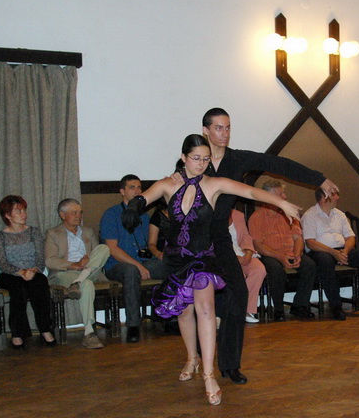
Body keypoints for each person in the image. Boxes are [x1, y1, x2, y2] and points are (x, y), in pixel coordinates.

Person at [122, 108, 337, 385]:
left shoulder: (238, 160)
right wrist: (144, 199)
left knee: (237, 293)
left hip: (219, 240)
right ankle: (196, 356)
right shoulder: (194, 161)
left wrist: (318, 179)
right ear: (205, 130)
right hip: (190, 243)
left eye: (228, 128)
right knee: (190, 305)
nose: (224, 134)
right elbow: (166, 189)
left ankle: (229, 364)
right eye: (218, 128)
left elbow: (277, 164)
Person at [143, 135, 301, 405]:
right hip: (177, 258)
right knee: (185, 312)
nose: (202, 164)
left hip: (204, 257)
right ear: (183, 158)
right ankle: (191, 358)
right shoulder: (168, 184)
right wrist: (134, 205)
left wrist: (281, 203)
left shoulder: (213, 184)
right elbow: (144, 197)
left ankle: (209, 374)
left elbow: (250, 192)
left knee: (206, 309)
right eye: (196, 158)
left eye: (206, 159)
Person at [302, 188, 359, 320]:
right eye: (334, 195)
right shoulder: (310, 215)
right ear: (324, 197)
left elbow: (351, 237)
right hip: (320, 251)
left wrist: (345, 251)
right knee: (326, 261)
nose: (337, 197)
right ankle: (336, 307)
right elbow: (310, 243)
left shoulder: (340, 214)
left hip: (342, 250)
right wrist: (333, 252)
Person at [100, 175, 166, 343]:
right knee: (131, 271)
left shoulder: (143, 216)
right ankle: (133, 325)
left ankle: (169, 317)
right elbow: (112, 249)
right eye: (132, 187)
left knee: (170, 265)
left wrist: (159, 255)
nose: (137, 191)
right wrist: (138, 265)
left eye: (139, 187)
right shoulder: (111, 214)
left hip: (143, 262)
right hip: (117, 265)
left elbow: (149, 244)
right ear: (122, 191)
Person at [44, 198, 111, 349]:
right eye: (74, 213)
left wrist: (87, 260)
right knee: (86, 285)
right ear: (62, 215)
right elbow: (50, 260)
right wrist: (74, 265)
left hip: (89, 270)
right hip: (65, 273)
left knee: (104, 248)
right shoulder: (53, 233)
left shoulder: (88, 232)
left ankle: (78, 282)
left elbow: (97, 255)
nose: (79, 216)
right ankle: (89, 333)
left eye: (80, 212)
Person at [248, 179, 317, 321]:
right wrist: (280, 257)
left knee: (310, 265)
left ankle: (299, 305)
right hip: (270, 255)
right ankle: (278, 309)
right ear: (268, 197)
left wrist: (297, 254)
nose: (285, 197)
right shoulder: (257, 217)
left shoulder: (289, 213)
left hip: (291, 252)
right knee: (275, 269)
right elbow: (258, 245)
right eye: (280, 194)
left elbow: (298, 238)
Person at [0, 195, 56, 349]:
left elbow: (40, 258)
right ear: (8, 215)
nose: (23, 214)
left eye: (24, 211)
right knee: (18, 288)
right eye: (18, 211)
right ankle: (17, 333)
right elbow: (2, 263)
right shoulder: (0, 237)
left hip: (32, 271)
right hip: (10, 274)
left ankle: (45, 329)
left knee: (40, 284)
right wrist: (21, 272)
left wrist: (33, 270)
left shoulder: (34, 232)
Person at [228, 208, 266, 324]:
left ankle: (247, 309)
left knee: (259, 269)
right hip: (223, 254)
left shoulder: (238, 215)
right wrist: (234, 257)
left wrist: (249, 251)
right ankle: (234, 309)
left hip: (241, 251)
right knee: (238, 274)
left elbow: (245, 236)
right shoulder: (210, 213)